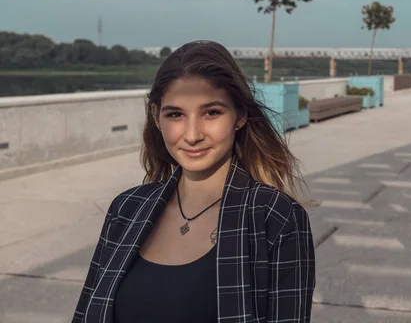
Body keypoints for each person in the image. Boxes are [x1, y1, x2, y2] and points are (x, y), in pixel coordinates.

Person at [72, 40, 317, 323]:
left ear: (240, 116)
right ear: (156, 116)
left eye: (211, 112)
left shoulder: (274, 217)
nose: (192, 135)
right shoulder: (126, 210)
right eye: (175, 114)